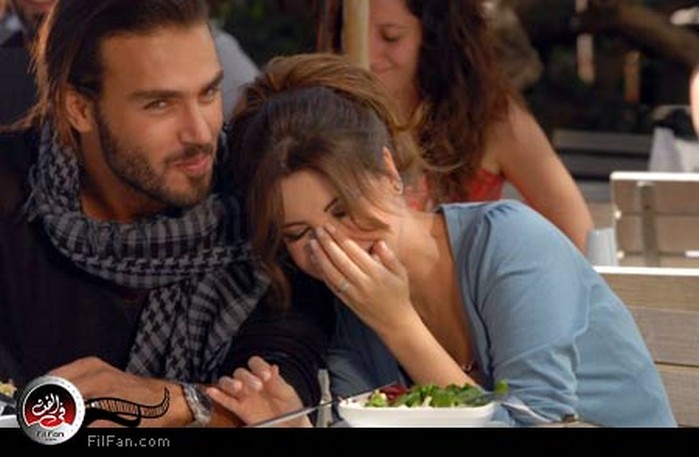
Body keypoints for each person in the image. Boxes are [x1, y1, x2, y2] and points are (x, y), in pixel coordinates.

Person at [209, 52, 676, 427]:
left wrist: (400, 325)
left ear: (389, 172)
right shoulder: (352, 313)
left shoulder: (511, 244)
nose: (333, 248)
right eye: (299, 234)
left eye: (343, 210)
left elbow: (540, 423)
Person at [0, 0, 329, 428]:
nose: (200, 133)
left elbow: (280, 396)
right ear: (78, 108)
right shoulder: (12, 193)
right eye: (160, 104)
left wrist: (172, 401)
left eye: (208, 93)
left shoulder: (263, 199)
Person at [319, 0, 594, 252]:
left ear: (433, 39)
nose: (369, 53)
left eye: (391, 36)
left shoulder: (489, 118)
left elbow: (580, 237)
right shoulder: (322, 112)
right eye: (353, 35)